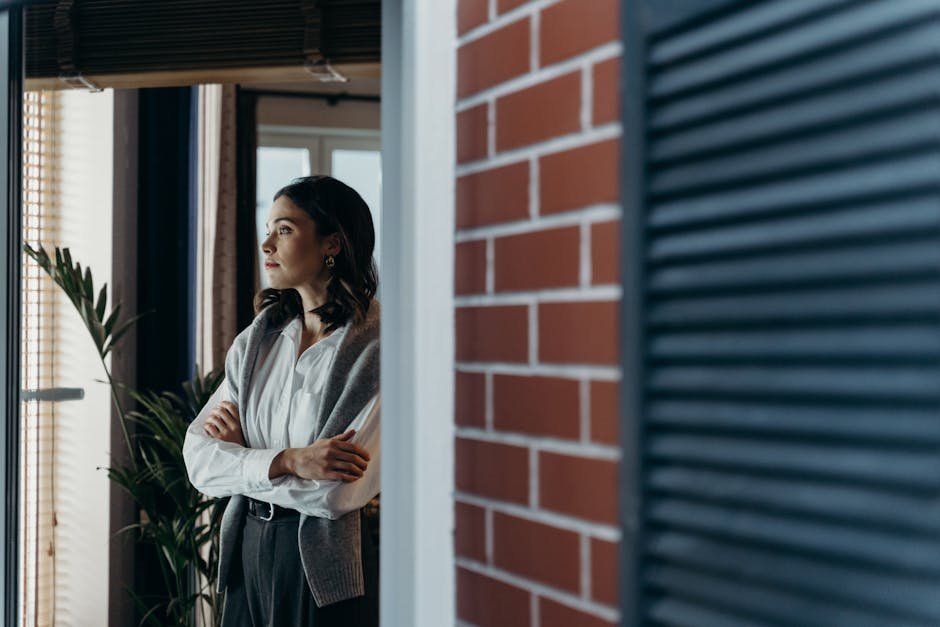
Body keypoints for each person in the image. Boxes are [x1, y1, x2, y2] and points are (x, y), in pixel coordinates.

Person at [182, 175, 381, 626]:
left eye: (285, 229)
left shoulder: (377, 347)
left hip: (323, 565)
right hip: (247, 550)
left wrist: (246, 457)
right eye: (268, 228)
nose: (267, 243)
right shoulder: (259, 340)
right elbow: (199, 462)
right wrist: (289, 460)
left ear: (332, 243)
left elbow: (335, 495)